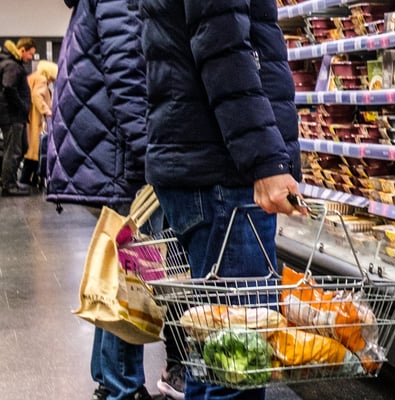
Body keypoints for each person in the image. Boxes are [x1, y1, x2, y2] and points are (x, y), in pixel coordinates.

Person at [140, 0, 306, 398]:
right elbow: (224, 47)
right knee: (238, 365)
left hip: (203, 163)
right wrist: (264, 163)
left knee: (216, 355)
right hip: (224, 174)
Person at [44, 0, 185, 399]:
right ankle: (121, 384)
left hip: (109, 145)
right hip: (121, 151)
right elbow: (128, 71)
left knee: (120, 271)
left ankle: (110, 380)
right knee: (132, 275)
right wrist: (149, 153)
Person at [0, 38, 34, 196]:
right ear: (22, 50)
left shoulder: (10, 64)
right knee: (13, 151)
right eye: (30, 54)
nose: (31, 58)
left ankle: (11, 180)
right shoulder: (12, 65)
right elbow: (8, 87)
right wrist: (22, 105)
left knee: (21, 148)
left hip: (15, 115)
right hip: (12, 115)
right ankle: (8, 184)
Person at [23, 60, 55, 187]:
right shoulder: (42, 80)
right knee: (35, 153)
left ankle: (29, 181)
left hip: (29, 118)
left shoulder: (33, 77)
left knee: (31, 153)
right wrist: (47, 111)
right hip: (36, 120)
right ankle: (27, 181)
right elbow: (37, 95)